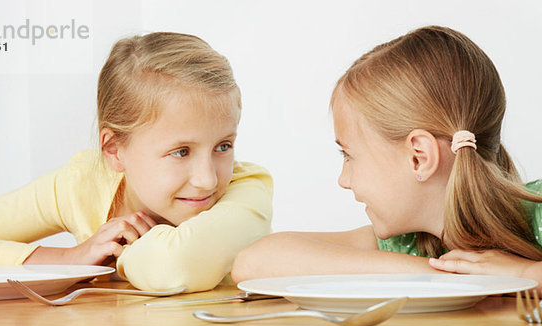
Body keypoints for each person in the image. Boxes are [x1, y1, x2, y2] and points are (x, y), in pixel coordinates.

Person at [0, 32, 273, 293]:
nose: (208, 180)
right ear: (114, 150)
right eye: (181, 151)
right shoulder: (84, 182)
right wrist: (69, 260)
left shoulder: (247, 192)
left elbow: (174, 269)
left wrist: (124, 254)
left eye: (223, 146)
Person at [231, 26, 542, 290]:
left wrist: (525, 275)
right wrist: (445, 276)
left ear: (419, 157)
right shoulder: (411, 245)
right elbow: (254, 263)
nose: (343, 180)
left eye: (349, 155)